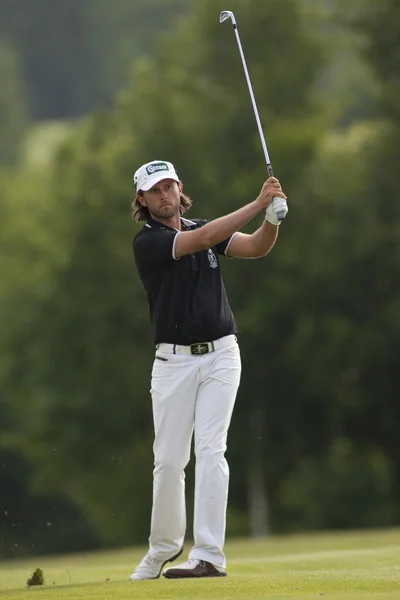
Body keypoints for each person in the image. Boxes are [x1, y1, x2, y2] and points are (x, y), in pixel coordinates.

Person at [129, 160, 288, 580]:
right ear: (142, 200)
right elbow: (202, 238)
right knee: (168, 462)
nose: (164, 195)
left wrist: (271, 219)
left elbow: (255, 247)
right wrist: (259, 201)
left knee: (211, 450)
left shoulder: (202, 225)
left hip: (221, 355)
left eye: (169, 186)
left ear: (180, 189)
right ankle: (162, 548)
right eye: (155, 190)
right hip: (172, 363)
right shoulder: (147, 242)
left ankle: (208, 556)